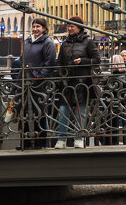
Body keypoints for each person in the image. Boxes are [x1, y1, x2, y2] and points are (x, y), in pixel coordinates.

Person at [55, 16, 99, 148]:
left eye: (72, 26)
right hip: (67, 83)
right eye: (68, 26)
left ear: (79, 27)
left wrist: (83, 61)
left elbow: (97, 59)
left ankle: (79, 138)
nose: (69, 28)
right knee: (63, 111)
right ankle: (61, 140)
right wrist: (59, 73)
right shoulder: (65, 43)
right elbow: (59, 61)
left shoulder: (88, 42)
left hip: (82, 82)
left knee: (81, 112)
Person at [21, 18, 56, 149]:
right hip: (26, 83)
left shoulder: (47, 43)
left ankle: (41, 143)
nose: (35, 29)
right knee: (24, 113)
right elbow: (22, 60)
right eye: (34, 26)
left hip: (39, 85)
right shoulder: (27, 42)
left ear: (44, 28)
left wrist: (38, 77)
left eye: (38, 27)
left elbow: (49, 63)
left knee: (39, 113)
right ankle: (26, 142)